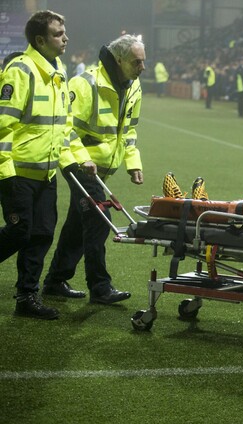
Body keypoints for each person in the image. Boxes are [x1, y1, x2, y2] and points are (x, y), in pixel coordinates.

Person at [42, 34, 146, 305]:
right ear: (119, 60)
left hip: (100, 168)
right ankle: (100, 287)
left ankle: (55, 280)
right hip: (77, 162)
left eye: (143, 62)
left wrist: (133, 163)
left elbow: (129, 130)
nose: (142, 68)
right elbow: (64, 128)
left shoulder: (133, 86)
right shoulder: (85, 84)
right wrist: (81, 159)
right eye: (137, 62)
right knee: (99, 217)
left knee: (78, 222)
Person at [0, 10, 87, 319]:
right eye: (57, 34)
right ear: (40, 40)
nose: (65, 38)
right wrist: (5, 173)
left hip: (46, 174)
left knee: (41, 234)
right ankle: (27, 295)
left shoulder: (58, 71)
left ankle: (26, 298)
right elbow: (3, 126)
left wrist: (77, 160)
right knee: (19, 232)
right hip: (18, 173)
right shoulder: (21, 70)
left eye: (64, 32)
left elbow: (63, 126)